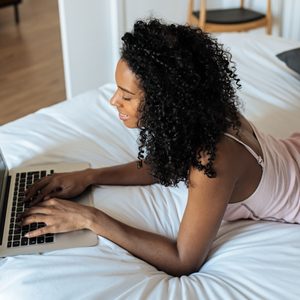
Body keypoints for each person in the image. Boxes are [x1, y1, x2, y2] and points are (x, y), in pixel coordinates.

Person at [23, 19, 300, 277]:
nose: (113, 101)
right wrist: (89, 176)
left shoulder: (213, 160)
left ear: (166, 102)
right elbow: (167, 163)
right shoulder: (207, 113)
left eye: (127, 95)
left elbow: (184, 260)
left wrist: (90, 218)